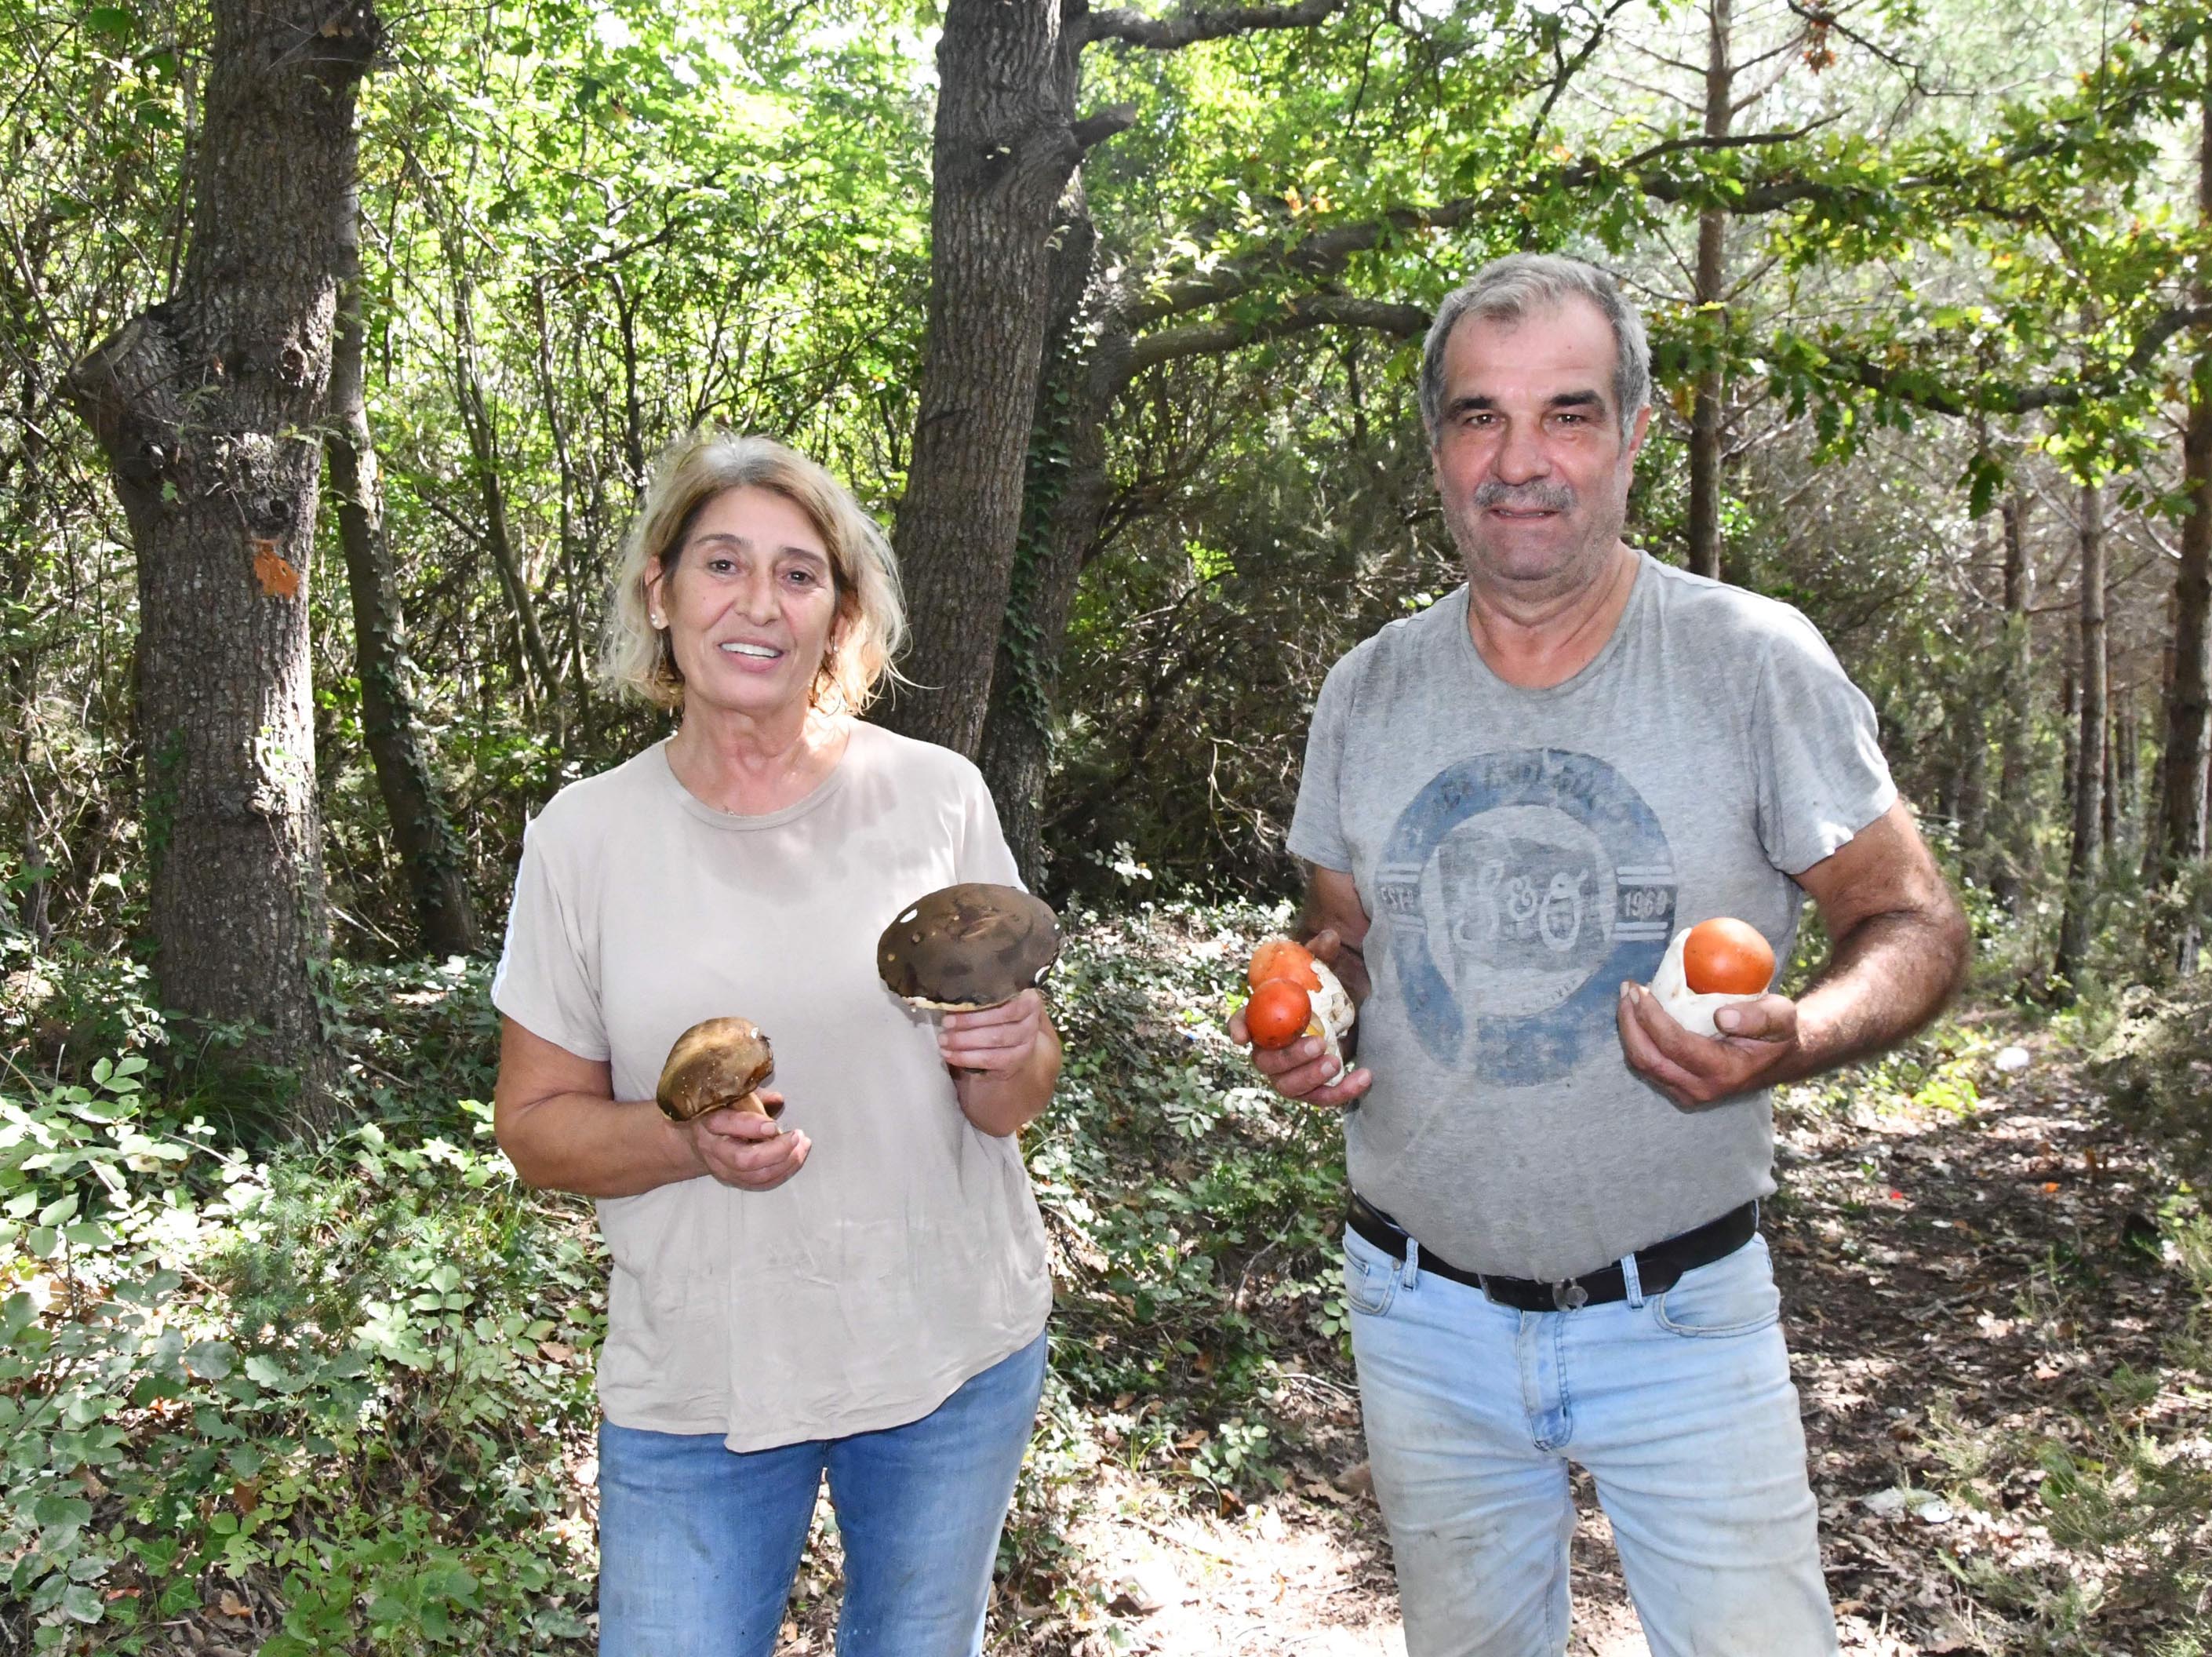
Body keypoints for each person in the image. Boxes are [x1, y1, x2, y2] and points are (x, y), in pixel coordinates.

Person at [1238, 254, 1970, 1656]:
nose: (1521, 462)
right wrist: (1313, 1011)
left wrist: (1801, 1034)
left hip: (1681, 1313)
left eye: (1567, 415)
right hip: (1419, 1313)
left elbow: (1912, 918)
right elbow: (1351, 942)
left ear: (1636, 432)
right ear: (1439, 447)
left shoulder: (1751, 661)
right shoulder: (1368, 689)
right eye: (1478, 418)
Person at [491, 434, 1060, 1657]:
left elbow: (1013, 1098)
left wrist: (1012, 1052)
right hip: (704, 1377)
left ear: (840, 614)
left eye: (800, 574)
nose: (759, 603)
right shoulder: (584, 840)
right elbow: (534, 1128)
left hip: (944, 1353)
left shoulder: (937, 797)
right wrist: (685, 1144)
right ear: (661, 591)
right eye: (723, 564)